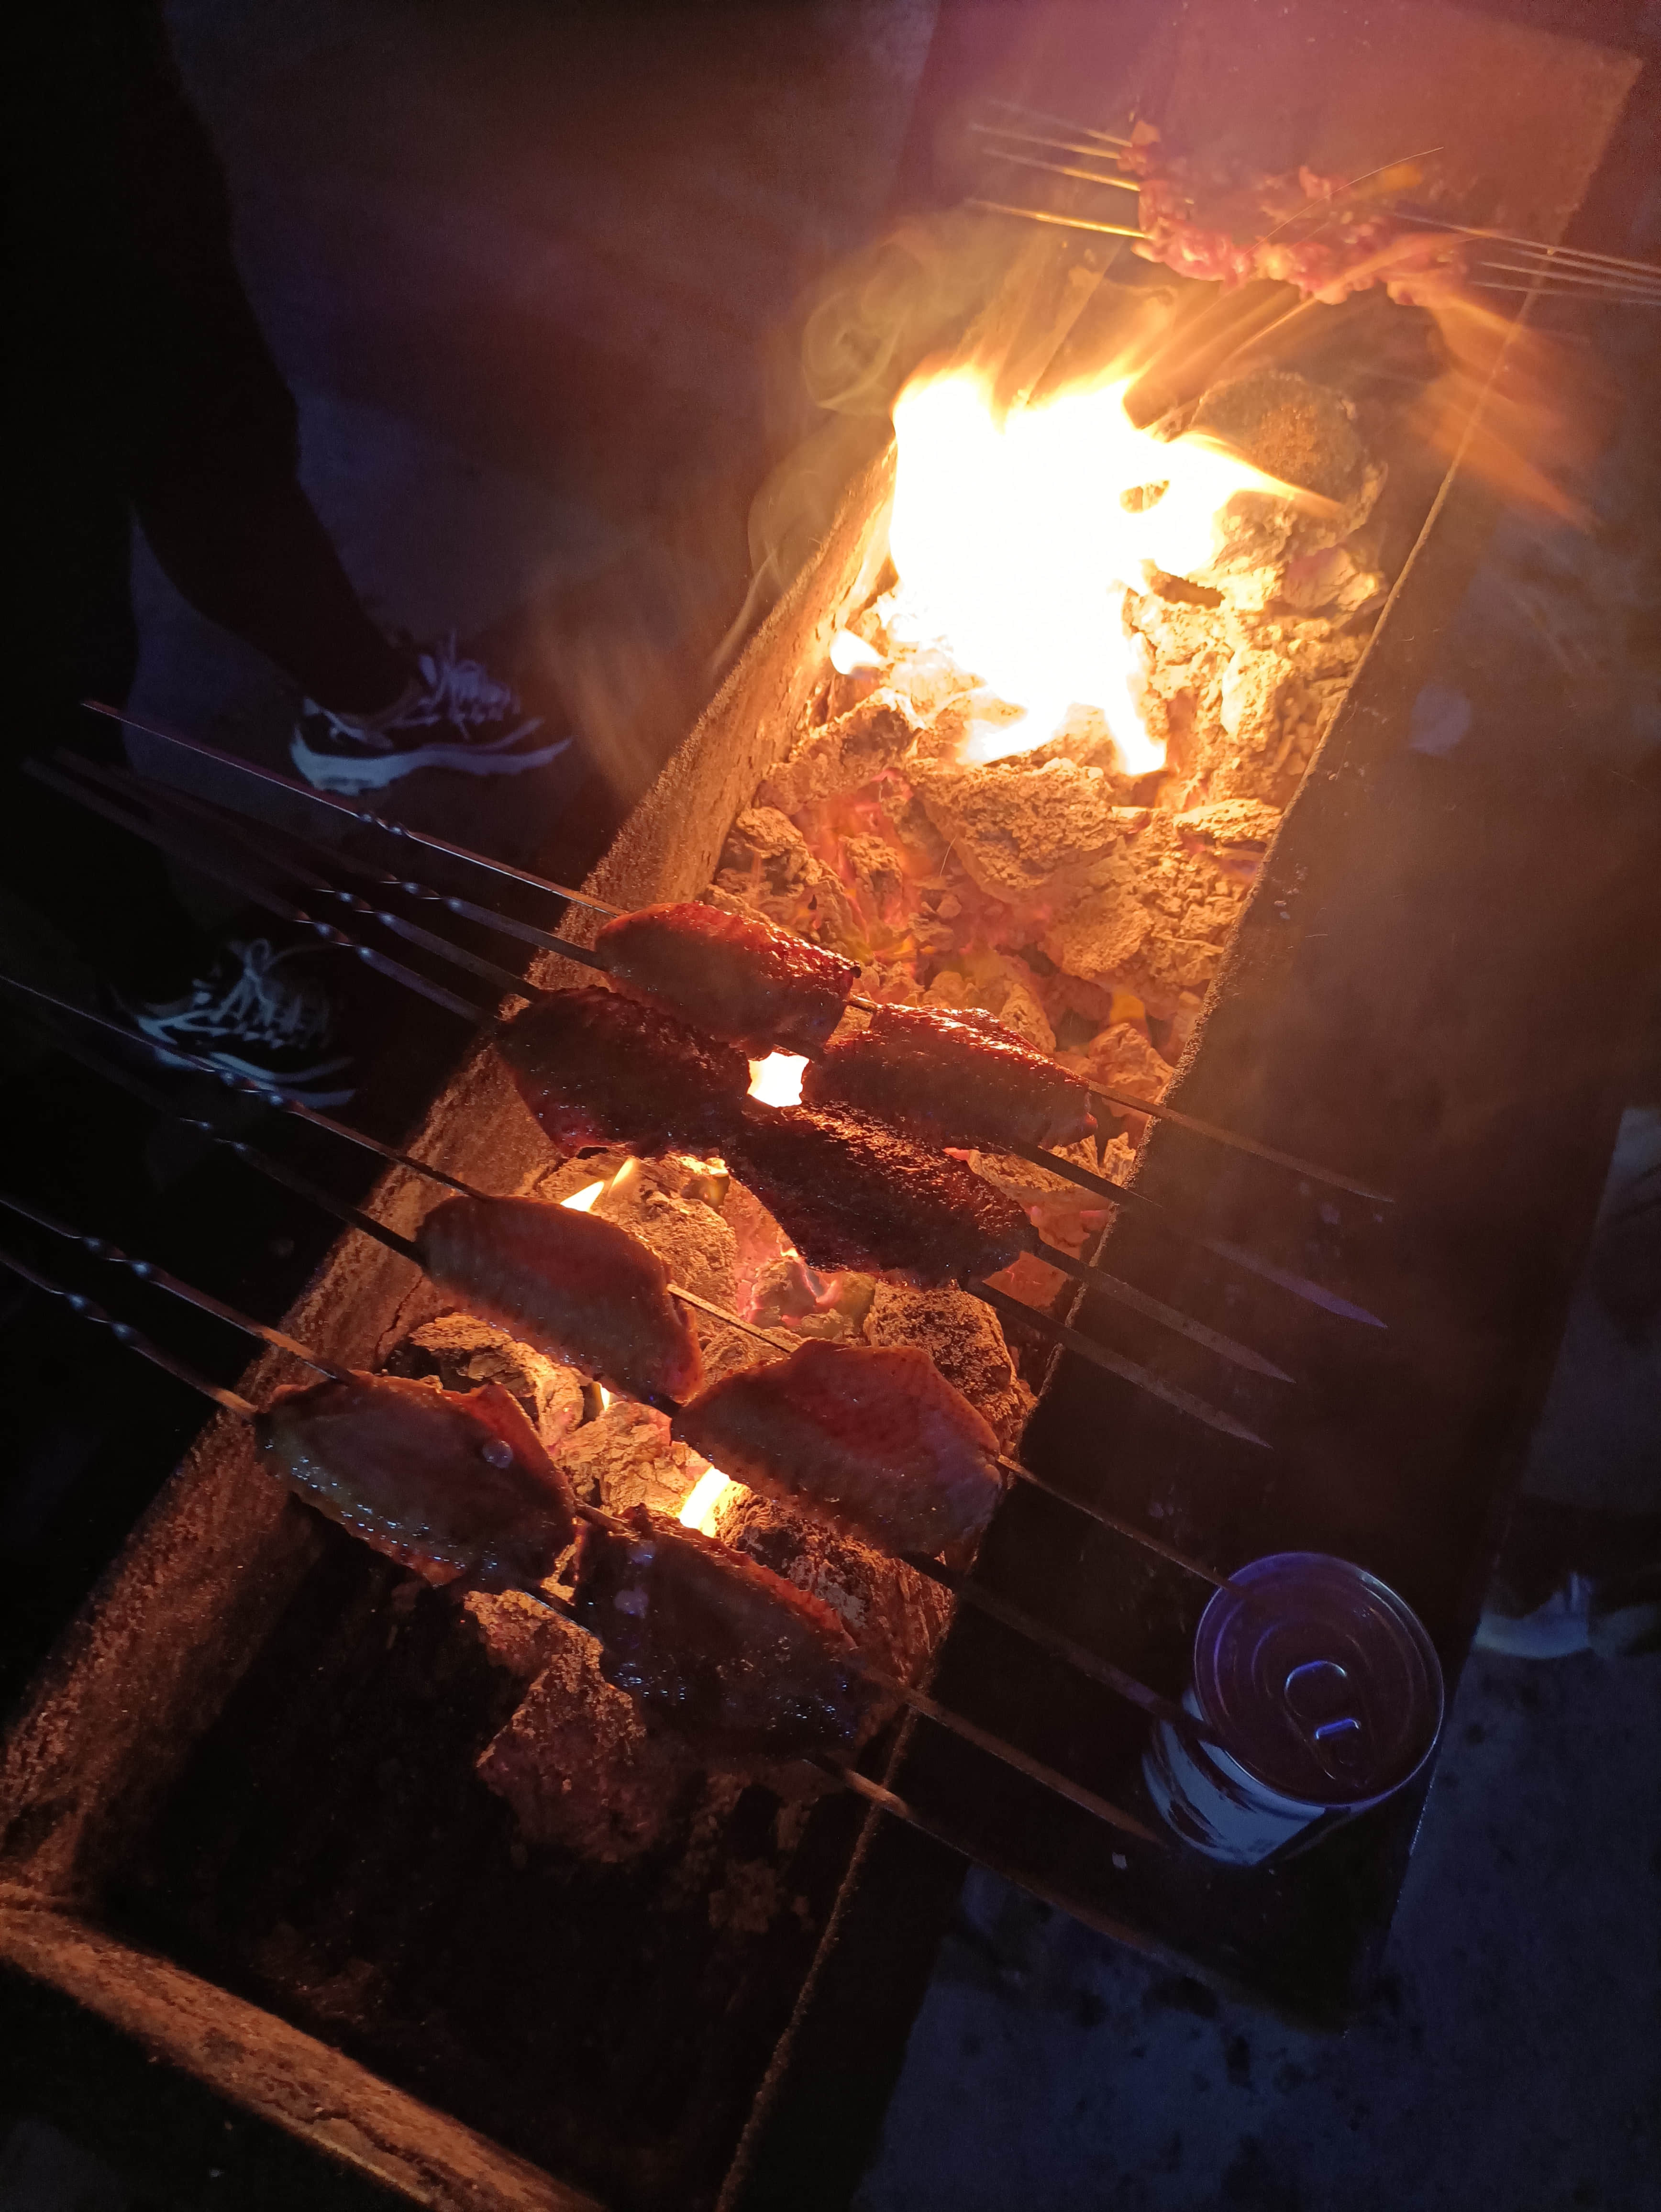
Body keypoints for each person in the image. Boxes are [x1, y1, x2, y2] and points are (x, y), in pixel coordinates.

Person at [10, 2, 564, 1098]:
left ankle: (369, 706)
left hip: (67, 83)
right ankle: (165, 980)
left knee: (220, 440)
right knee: (32, 660)